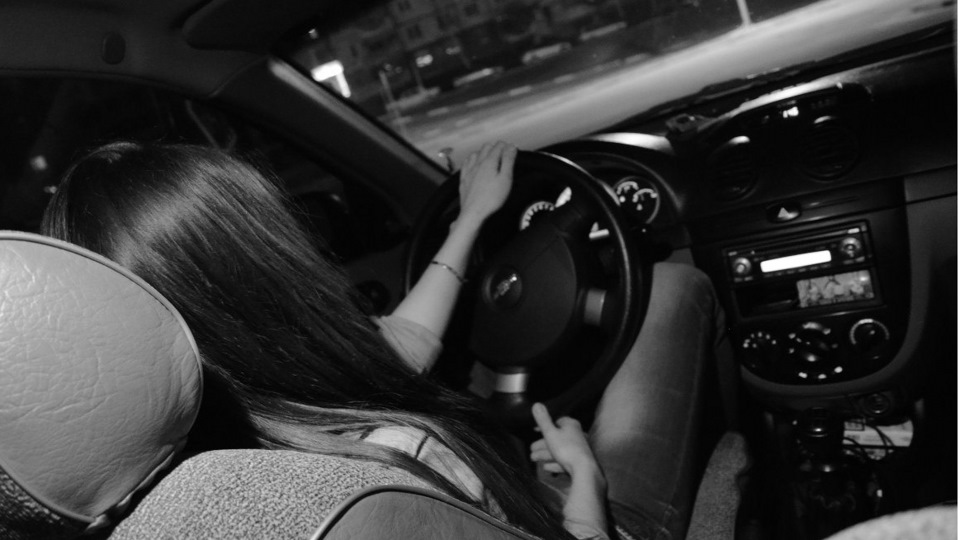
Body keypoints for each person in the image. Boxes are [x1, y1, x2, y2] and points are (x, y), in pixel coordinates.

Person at [41, 140, 731, 540]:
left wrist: (472, 219)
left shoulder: (202, 462)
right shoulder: (398, 464)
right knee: (673, 288)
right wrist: (587, 495)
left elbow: (400, 342)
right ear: (270, 269)